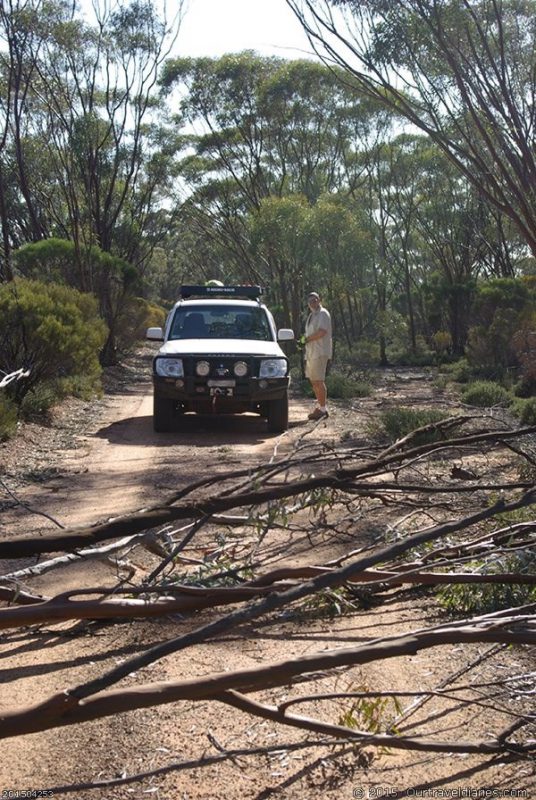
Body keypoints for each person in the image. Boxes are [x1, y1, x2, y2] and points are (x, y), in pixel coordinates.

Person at [303, 291, 332, 420]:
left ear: (319, 300)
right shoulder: (311, 316)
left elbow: (322, 332)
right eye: (310, 301)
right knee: (313, 380)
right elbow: (310, 334)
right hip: (311, 352)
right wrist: (303, 341)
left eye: (314, 300)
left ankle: (323, 409)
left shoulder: (323, 314)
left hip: (320, 352)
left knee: (319, 381)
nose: (312, 303)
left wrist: (307, 339)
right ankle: (320, 407)